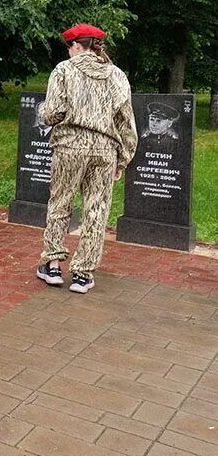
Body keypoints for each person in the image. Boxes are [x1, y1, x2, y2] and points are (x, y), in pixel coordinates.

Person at [37, 23, 137, 293]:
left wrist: (44, 112)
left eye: (69, 46)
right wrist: (123, 157)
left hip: (70, 146)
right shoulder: (117, 75)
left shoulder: (64, 70)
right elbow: (125, 120)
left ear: (77, 46)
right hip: (104, 150)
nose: (68, 51)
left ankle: (53, 265)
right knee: (97, 209)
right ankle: (83, 273)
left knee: (60, 203)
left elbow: (53, 113)